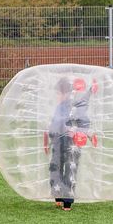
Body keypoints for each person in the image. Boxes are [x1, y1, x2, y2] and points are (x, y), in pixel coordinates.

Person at [44, 77, 97, 211]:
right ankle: (58, 195)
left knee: (69, 168)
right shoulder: (60, 107)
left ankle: (66, 199)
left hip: (71, 144)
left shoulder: (74, 107)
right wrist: (47, 139)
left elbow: (82, 120)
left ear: (66, 93)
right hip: (58, 142)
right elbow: (54, 125)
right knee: (56, 167)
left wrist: (87, 134)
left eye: (59, 93)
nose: (57, 96)